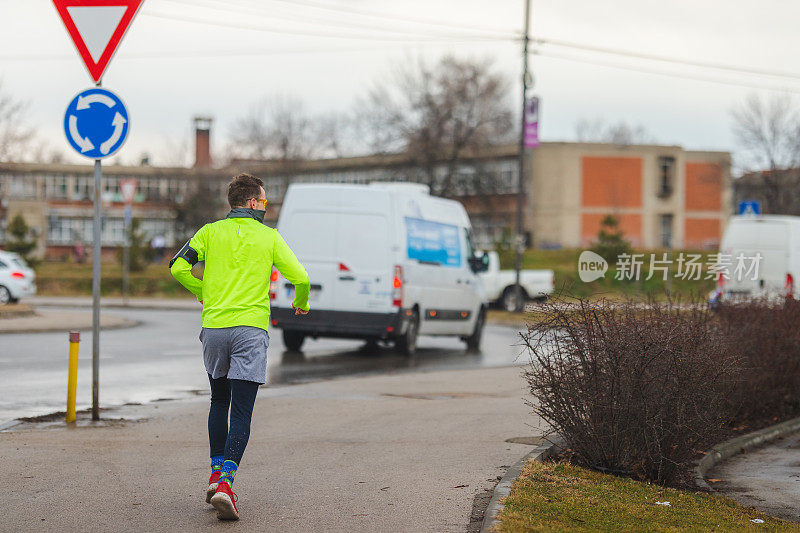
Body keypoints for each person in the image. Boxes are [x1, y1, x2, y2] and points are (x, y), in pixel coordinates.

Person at [170, 173, 310, 521]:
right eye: (263, 201)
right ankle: (226, 484)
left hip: (215, 328)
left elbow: (178, 266)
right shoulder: (269, 237)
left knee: (219, 400)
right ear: (252, 203)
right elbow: (301, 279)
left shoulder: (209, 232)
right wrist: (301, 302)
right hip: (250, 330)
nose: (265, 206)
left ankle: (216, 474)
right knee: (242, 411)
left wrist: (204, 292)